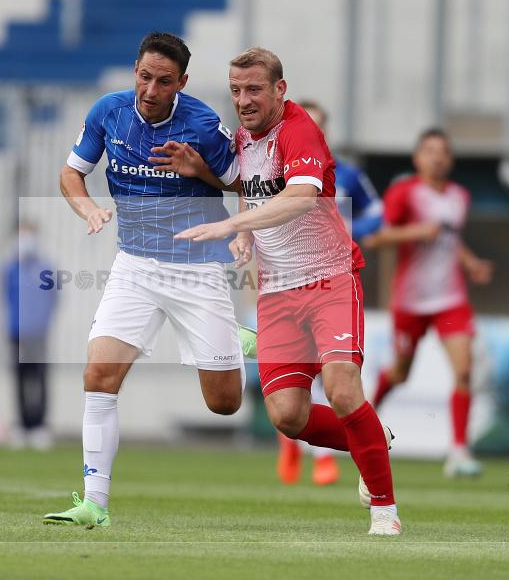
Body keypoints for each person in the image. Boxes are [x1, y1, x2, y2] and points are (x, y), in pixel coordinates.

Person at [162, 47, 400, 536]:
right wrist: (206, 177)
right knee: (287, 417)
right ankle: (372, 437)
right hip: (277, 293)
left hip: (330, 279)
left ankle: (384, 512)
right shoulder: (245, 137)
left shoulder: (298, 130)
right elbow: (251, 185)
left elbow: (298, 197)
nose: (243, 100)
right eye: (235, 90)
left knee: (341, 389)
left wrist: (234, 224)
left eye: (253, 90)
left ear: (279, 90)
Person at [42, 32, 243, 529]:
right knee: (99, 376)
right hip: (135, 265)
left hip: (196, 267)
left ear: (183, 83)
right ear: (135, 70)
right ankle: (94, 504)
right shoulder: (109, 112)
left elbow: (246, 182)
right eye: (145, 76)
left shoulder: (202, 124)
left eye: (165, 81)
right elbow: (71, 174)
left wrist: (200, 169)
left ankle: (238, 342)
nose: (152, 89)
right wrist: (87, 208)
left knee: (224, 403)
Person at [365, 128, 493, 478]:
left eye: (442, 152)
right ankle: (365, 419)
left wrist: (471, 263)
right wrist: (416, 232)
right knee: (400, 373)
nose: (436, 157)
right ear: (418, 158)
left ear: (449, 160)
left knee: (465, 371)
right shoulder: (405, 194)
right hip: (410, 301)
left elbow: (451, 240)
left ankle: (458, 452)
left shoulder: (459, 196)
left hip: (450, 300)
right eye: (429, 151)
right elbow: (376, 237)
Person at [272, 100, 384, 486]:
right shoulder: (274, 170)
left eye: (316, 126)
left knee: (337, 382)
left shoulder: (346, 175)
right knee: (290, 391)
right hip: (285, 285)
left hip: (333, 280)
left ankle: (326, 459)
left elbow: (378, 213)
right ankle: (292, 444)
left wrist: (349, 232)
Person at [0, 221, 58, 450]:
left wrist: (42, 322)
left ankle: (40, 426)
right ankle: (22, 427)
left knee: (40, 378)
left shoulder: (45, 267)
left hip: (39, 333)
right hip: (17, 332)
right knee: (20, 379)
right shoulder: (10, 268)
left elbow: (53, 299)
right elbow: (6, 297)